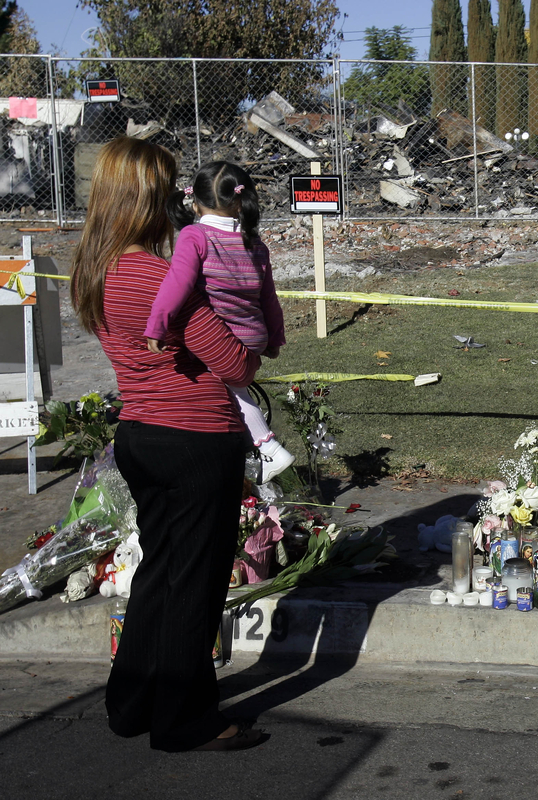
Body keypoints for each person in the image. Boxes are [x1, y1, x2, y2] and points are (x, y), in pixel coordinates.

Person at [71, 137, 265, 752]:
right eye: (170, 189)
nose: (180, 199)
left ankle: (132, 701)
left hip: (140, 433)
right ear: (147, 200)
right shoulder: (161, 276)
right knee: (195, 583)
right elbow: (234, 363)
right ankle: (185, 719)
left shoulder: (97, 271)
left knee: (159, 573)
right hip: (194, 437)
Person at [144, 160, 294, 483]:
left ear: (194, 203)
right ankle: (259, 452)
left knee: (222, 387)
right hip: (253, 335)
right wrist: (274, 340)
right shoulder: (257, 245)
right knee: (234, 389)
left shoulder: (194, 236)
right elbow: (269, 299)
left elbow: (177, 283)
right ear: (240, 202)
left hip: (224, 335)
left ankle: (267, 446)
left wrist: (157, 325)